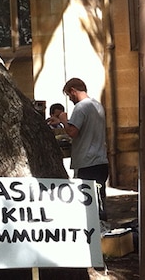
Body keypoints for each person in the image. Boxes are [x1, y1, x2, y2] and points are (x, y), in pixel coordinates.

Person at [57, 78, 109, 223]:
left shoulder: (80, 108)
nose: (70, 99)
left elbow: (72, 132)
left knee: (87, 204)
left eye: (69, 95)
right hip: (100, 161)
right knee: (99, 201)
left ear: (73, 91)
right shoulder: (97, 105)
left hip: (87, 163)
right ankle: (103, 230)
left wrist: (63, 120)